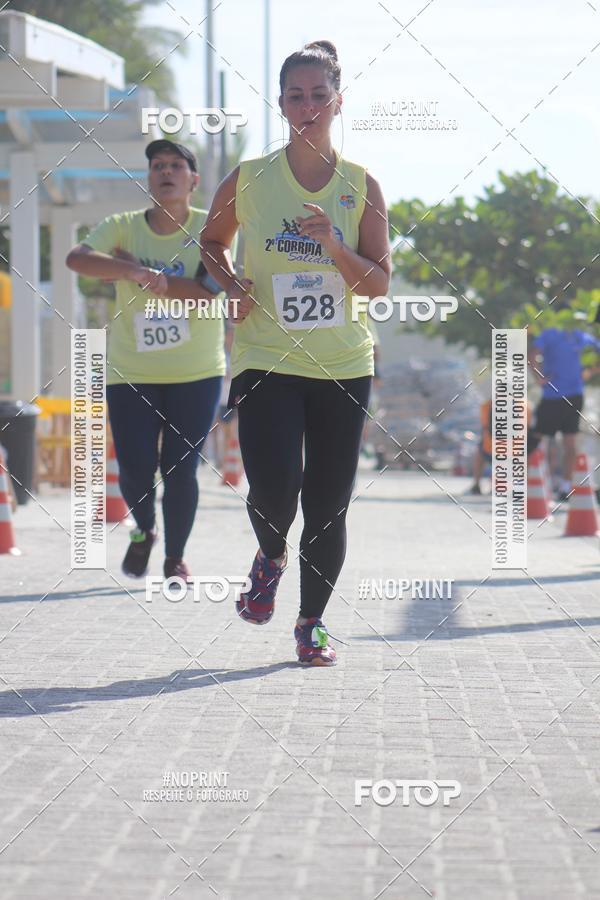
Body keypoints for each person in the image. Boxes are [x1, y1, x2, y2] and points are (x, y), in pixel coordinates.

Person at [201, 40, 391, 666]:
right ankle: (270, 555)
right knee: (274, 487)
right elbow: (211, 242)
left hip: (342, 364)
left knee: (328, 504)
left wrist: (335, 246)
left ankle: (312, 624)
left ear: (338, 101)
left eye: (319, 95)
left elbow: (378, 283)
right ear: (280, 104)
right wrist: (232, 285)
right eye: (295, 96)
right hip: (265, 357)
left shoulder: (361, 184)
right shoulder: (251, 178)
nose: (308, 106)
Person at [66, 140, 228, 580]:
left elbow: (208, 291)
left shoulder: (210, 229)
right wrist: (130, 270)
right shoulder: (121, 226)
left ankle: (175, 557)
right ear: (149, 178)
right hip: (131, 371)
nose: (166, 172)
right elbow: (77, 259)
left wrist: (153, 277)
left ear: (194, 180)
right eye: (158, 166)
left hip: (196, 372)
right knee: (135, 468)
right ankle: (144, 531)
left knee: (181, 469)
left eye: (176, 166)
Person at [528, 322, 600, 500]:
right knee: (568, 442)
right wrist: (590, 371)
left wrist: (538, 377)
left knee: (537, 438)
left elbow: (532, 354)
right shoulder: (577, 334)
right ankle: (564, 486)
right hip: (569, 396)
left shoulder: (551, 332)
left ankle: (527, 484)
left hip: (556, 396)